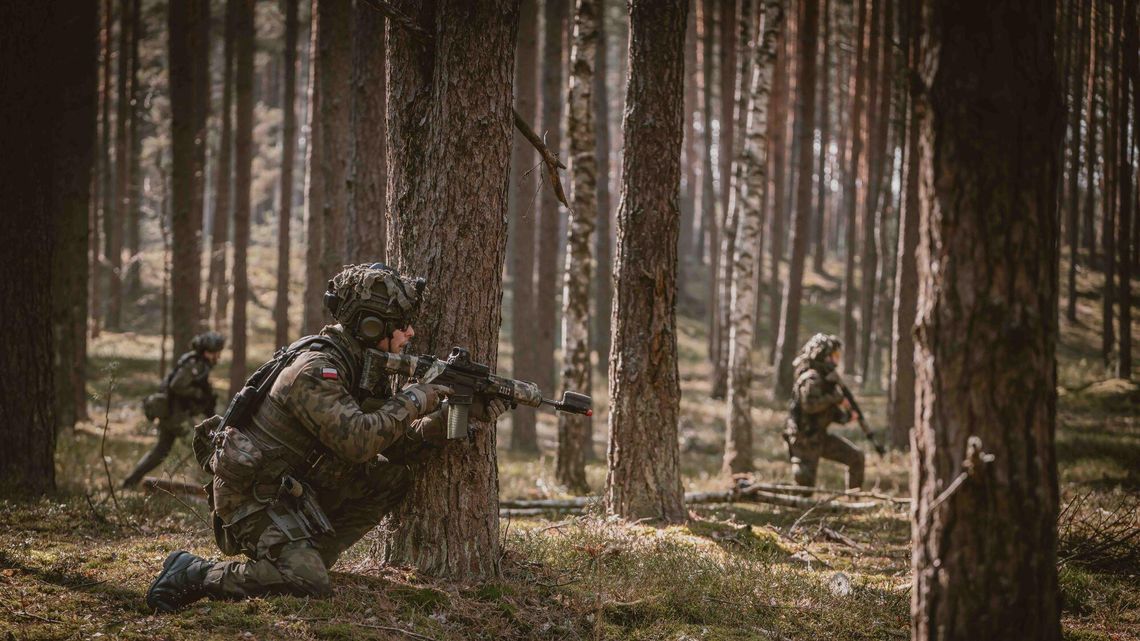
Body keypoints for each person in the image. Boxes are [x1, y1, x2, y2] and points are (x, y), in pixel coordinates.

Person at [145, 263, 509, 612]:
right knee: (308, 582)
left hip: (293, 488)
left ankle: (305, 557)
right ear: (369, 326)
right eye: (401, 325)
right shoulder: (316, 370)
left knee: (389, 477)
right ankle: (194, 572)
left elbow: (395, 443)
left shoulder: (361, 369)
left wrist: (452, 416)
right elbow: (359, 442)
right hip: (252, 496)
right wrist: (419, 395)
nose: (410, 333)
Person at [123, 331, 225, 488]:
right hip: (176, 418)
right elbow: (176, 385)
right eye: (216, 353)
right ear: (207, 352)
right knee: (203, 447)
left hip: (173, 415)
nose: (218, 357)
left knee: (160, 452)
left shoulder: (198, 364)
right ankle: (214, 487)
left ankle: (130, 481)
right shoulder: (194, 364)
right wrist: (198, 394)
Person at [784, 333, 865, 492]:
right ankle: (758, 492)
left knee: (856, 458)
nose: (836, 360)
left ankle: (853, 501)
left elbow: (831, 413)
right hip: (804, 441)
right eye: (834, 356)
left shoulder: (827, 380)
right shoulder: (812, 378)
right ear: (824, 356)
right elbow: (810, 406)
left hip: (819, 437)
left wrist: (847, 416)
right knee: (804, 490)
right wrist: (835, 398)